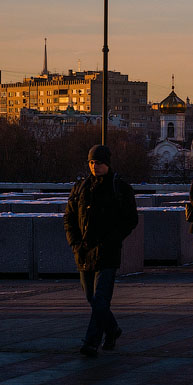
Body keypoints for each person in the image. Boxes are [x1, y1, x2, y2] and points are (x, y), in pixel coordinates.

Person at [63, 144, 138, 358]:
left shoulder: (119, 187)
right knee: (91, 297)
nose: (95, 166)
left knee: (101, 298)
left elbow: (131, 219)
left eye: (100, 162)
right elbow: (69, 217)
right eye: (92, 162)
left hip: (107, 251)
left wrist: (113, 239)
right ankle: (112, 329)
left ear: (108, 164)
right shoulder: (80, 187)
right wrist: (75, 243)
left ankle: (91, 342)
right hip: (84, 251)